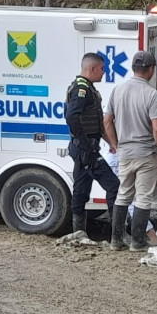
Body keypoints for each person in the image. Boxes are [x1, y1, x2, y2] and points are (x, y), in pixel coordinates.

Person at [103, 51, 157, 251]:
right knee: (143, 197)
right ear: (151, 70)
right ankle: (137, 241)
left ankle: (116, 239)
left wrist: (115, 145)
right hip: (146, 153)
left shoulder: (117, 90)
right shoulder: (152, 94)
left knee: (123, 194)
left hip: (125, 153)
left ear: (133, 68)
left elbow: (107, 121)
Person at [66, 52, 119, 235]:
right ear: (92, 68)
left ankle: (78, 234)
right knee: (114, 186)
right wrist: (86, 143)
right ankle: (117, 235)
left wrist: (111, 143)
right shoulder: (82, 90)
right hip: (85, 150)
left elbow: (96, 123)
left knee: (81, 190)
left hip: (84, 149)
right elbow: (71, 117)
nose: (104, 72)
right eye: (102, 69)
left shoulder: (87, 88)